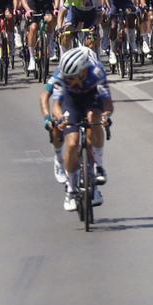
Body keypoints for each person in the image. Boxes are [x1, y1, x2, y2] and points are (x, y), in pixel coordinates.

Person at [45, 44, 112, 210]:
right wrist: (61, 119)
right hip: (71, 100)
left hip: (91, 97)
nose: (69, 79)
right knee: (73, 142)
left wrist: (105, 116)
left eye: (73, 76)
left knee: (94, 118)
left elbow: (107, 103)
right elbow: (56, 104)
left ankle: (98, 167)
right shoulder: (62, 74)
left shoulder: (96, 72)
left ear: (83, 70)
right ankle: (71, 189)